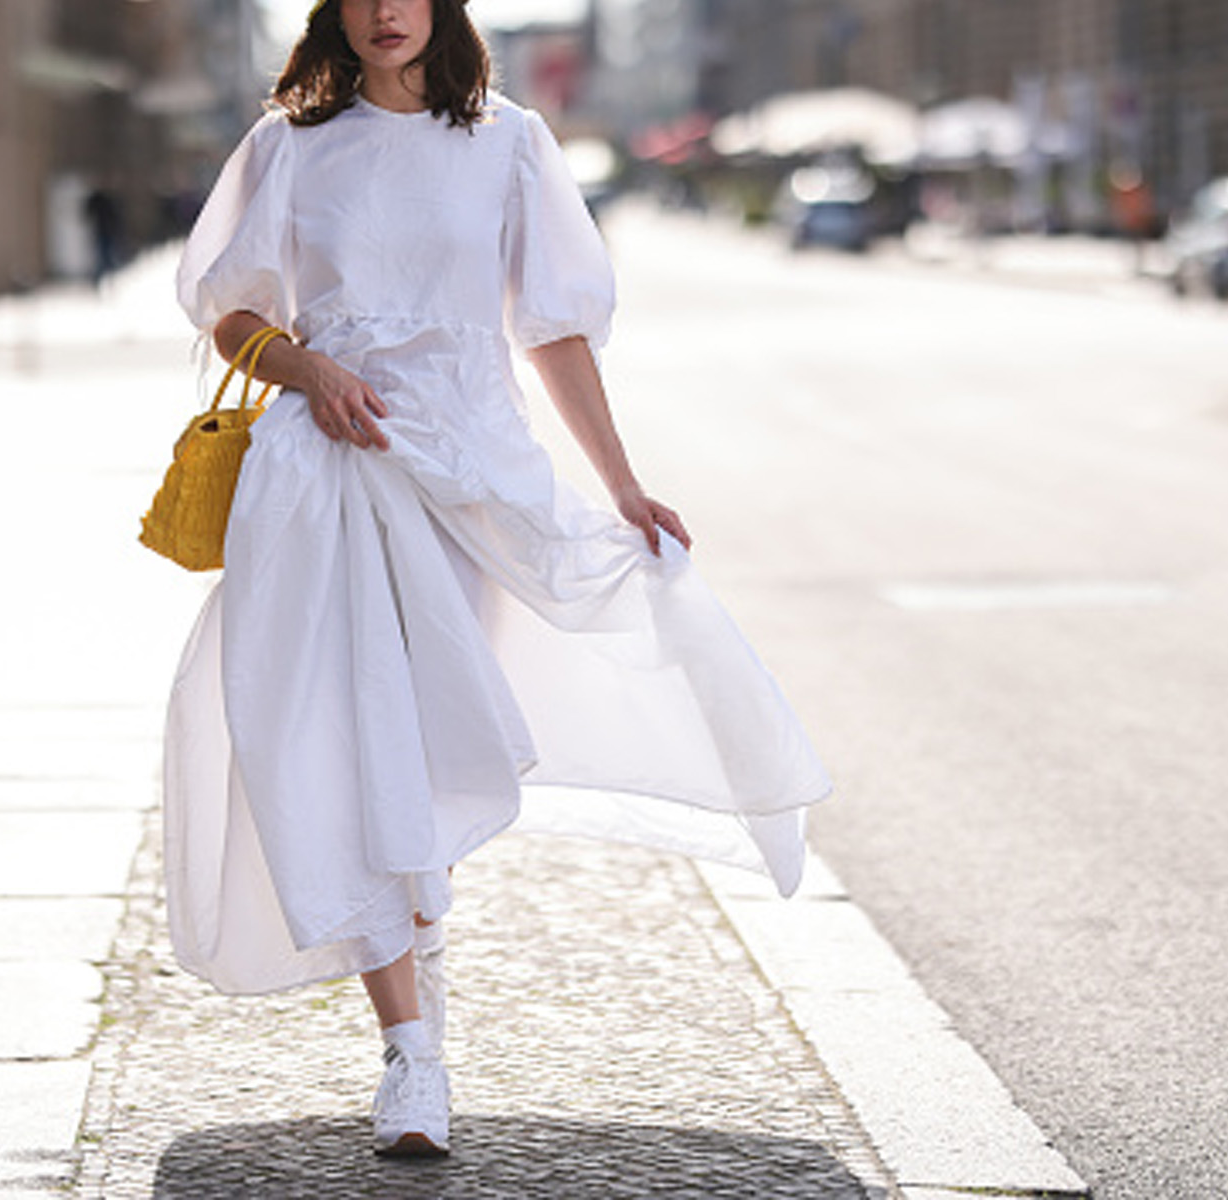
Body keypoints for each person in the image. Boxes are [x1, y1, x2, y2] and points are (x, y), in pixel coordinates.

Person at [166, 0, 831, 1159]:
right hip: (322, 477)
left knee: (417, 751)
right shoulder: (288, 144)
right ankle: (410, 1053)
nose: (384, 13)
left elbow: (553, 332)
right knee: (337, 739)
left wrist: (622, 486)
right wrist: (306, 365)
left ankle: (414, 955)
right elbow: (225, 314)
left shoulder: (510, 142)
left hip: (469, 475)